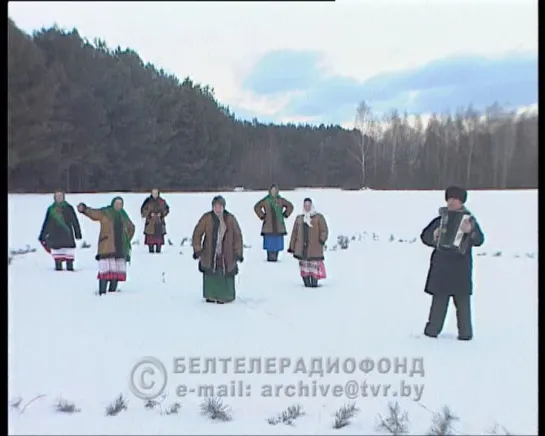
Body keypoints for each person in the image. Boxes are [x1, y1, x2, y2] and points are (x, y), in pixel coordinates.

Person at [420, 186, 485, 341]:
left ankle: (465, 334)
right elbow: (424, 236)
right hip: (441, 267)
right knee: (438, 303)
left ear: (461, 201)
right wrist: (433, 237)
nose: (451, 202)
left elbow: (480, 240)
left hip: (460, 268)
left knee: (462, 303)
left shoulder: (469, 220)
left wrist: (471, 232)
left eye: (455, 199)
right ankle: (431, 333)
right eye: (449, 199)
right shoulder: (440, 219)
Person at [77, 196, 135, 295]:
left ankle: (112, 293)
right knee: (105, 270)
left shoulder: (123, 215)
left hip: (120, 248)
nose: (118, 205)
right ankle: (102, 292)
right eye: (117, 203)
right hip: (106, 246)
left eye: (120, 204)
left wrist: (126, 240)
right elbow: (94, 214)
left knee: (116, 271)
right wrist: (85, 209)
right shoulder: (106, 212)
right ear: (113, 203)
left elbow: (131, 227)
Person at [192, 195, 243, 304]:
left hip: (227, 253)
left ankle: (225, 296)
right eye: (216, 206)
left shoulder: (230, 219)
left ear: (223, 207)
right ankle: (211, 295)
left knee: (225, 274)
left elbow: (238, 236)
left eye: (220, 206)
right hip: (210, 252)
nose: (218, 209)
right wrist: (198, 249)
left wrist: (238, 252)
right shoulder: (207, 218)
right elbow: (197, 233)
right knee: (211, 274)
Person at [287, 198, 329, 287]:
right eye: (305, 205)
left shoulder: (319, 217)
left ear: (312, 206)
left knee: (314, 269)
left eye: (308, 205)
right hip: (302, 249)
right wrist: (292, 246)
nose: (307, 207)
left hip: (315, 248)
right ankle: (306, 284)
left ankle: (314, 284)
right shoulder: (299, 218)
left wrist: (322, 240)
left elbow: (324, 230)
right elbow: (294, 233)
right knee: (304, 269)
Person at [38, 190, 82, 271]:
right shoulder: (51, 209)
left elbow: (74, 221)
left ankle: (70, 271)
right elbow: (46, 223)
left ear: (63, 197)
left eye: (60, 196)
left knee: (69, 258)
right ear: (54, 198)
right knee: (58, 259)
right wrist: (42, 235)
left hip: (67, 235)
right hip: (55, 236)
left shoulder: (69, 208)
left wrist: (77, 233)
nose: (59, 198)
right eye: (57, 196)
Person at [253, 184, 294, 262]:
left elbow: (290, 206)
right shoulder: (266, 200)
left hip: (278, 226)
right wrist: (262, 216)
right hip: (268, 226)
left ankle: (275, 257)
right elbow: (256, 207)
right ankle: (269, 257)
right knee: (269, 243)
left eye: (275, 190)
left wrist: (285, 214)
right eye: (272, 190)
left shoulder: (280, 200)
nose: (273, 192)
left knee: (277, 243)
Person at [140, 188, 170, 253]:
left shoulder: (162, 201)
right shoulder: (147, 202)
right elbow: (143, 211)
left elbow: (167, 210)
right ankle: (150, 251)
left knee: (159, 240)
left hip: (159, 222)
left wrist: (161, 214)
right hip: (150, 224)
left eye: (156, 193)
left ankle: (158, 251)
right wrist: (150, 214)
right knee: (150, 240)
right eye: (153, 193)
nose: (155, 194)